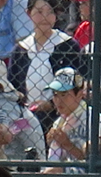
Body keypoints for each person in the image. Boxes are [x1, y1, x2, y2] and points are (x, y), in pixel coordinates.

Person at [8, 0, 83, 134]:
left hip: (59, 115)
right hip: (27, 116)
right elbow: (12, 86)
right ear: (29, 13)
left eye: (50, 12)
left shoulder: (68, 46)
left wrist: (50, 104)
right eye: (39, 12)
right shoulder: (21, 49)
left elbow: (76, 84)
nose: (45, 18)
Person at [43, 67, 101, 173]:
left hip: (89, 176)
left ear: (79, 95)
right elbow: (54, 161)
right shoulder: (59, 123)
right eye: (55, 94)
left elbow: (97, 164)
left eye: (64, 94)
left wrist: (67, 145)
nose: (58, 100)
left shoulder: (92, 118)